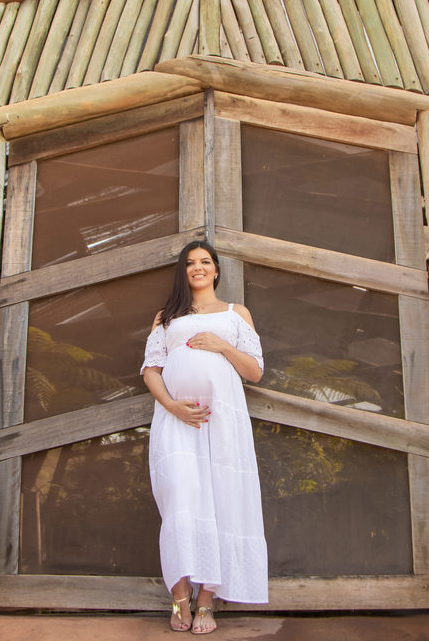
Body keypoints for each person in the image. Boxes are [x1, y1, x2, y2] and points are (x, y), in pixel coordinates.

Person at [140, 240, 268, 634]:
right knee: (179, 497)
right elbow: (150, 369)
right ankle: (180, 598)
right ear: (184, 271)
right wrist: (173, 406)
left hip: (223, 425)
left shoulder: (235, 313)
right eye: (190, 263)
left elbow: (255, 371)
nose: (198, 267)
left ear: (216, 271)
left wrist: (222, 345)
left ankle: (207, 601)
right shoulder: (167, 317)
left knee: (222, 501)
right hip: (177, 421)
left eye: (205, 262)